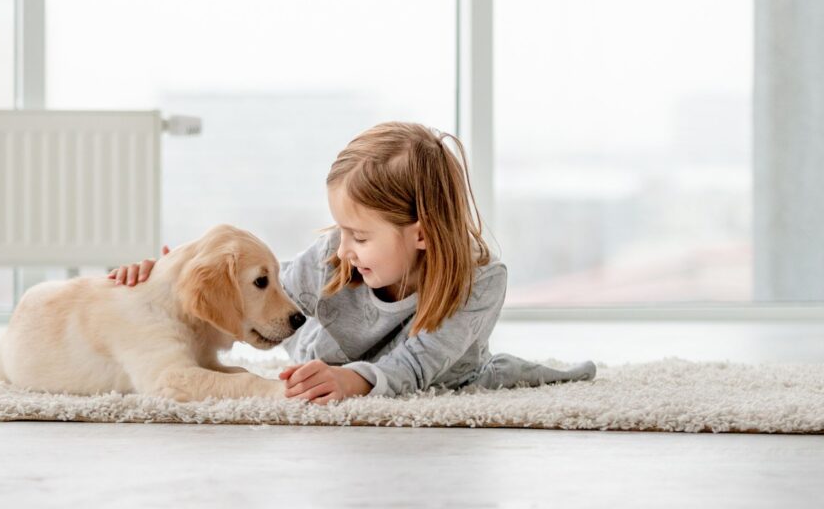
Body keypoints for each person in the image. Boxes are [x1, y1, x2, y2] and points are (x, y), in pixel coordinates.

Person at [109, 122, 596, 405]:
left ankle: (565, 372)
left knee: (509, 376)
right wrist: (167, 279)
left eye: (360, 236)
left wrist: (353, 381)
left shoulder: (480, 283)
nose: (342, 249)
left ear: (421, 234)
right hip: (325, 361)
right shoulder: (331, 257)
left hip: (447, 375)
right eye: (341, 230)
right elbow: (252, 286)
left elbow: (416, 365)